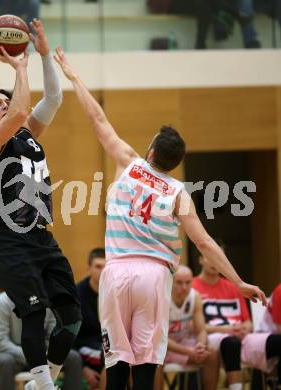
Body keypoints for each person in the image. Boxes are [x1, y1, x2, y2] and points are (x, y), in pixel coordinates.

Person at [54, 47, 266, 390]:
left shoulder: (129, 161)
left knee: (117, 358)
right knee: (147, 360)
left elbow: (98, 119)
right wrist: (238, 280)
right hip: (152, 276)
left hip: (117, 271)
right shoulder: (179, 193)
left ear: (151, 152)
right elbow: (204, 242)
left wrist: (74, 77)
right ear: (175, 163)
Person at [0, 20, 81, 390]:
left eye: (7, 100)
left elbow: (53, 99)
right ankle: (45, 386)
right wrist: (20, 67)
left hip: (41, 238)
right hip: (12, 241)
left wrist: (43, 55)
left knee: (72, 317)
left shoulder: (27, 134)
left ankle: (43, 381)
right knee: (33, 315)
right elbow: (20, 112)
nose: (4, 106)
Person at [193, 246, 281, 390]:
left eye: (220, 257)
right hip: (211, 338)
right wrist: (226, 329)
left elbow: (247, 322)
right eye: (210, 257)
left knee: (277, 341)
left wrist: (245, 327)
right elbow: (193, 326)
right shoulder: (191, 286)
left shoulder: (234, 287)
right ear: (201, 259)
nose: (215, 262)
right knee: (231, 342)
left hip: (240, 336)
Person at [0, 292, 82, 390]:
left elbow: (54, 335)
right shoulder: (2, 301)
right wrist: (31, 355)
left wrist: (41, 354)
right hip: (7, 353)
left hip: (39, 351)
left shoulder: (48, 300)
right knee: (6, 361)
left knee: (73, 357)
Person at [154, 265, 219, 390]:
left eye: (188, 282)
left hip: (182, 343)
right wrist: (189, 352)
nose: (184, 287)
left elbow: (201, 330)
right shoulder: (161, 297)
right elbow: (159, 339)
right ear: (170, 281)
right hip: (161, 348)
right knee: (154, 360)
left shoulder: (195, 297)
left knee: (212, 354)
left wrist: (200, 345)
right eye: (179, 282)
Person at [75, 248, 106, 390]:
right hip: (83, 347)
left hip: (105, 345)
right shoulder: (76, 295)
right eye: (98, 266)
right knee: (113, 358)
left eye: (106, 267)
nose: (102, 271)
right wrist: (83, 368)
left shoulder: (116, 292)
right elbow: (67, 337)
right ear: (88, 269)